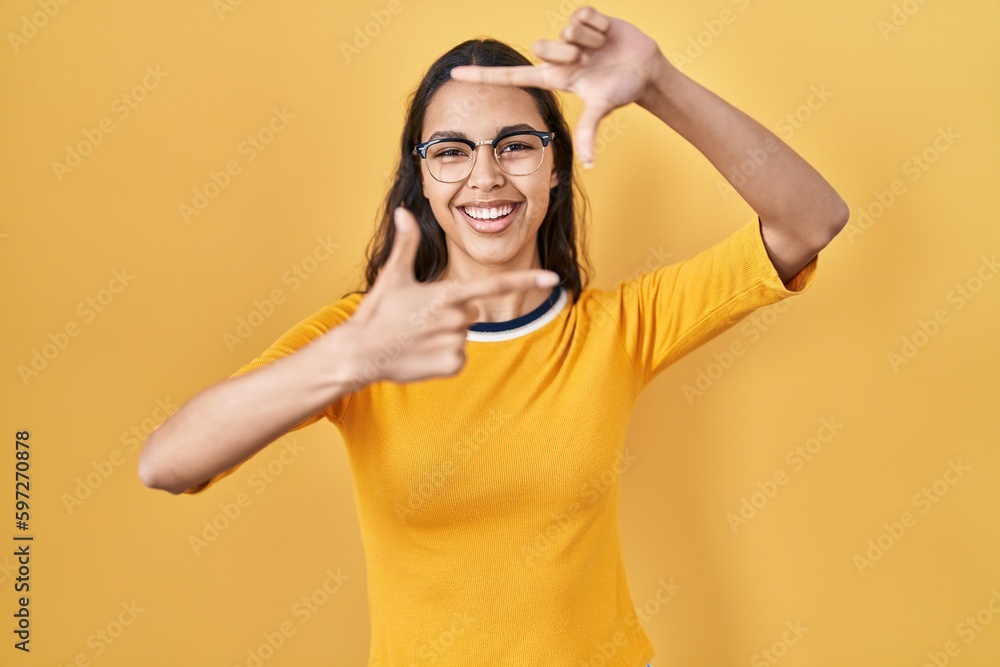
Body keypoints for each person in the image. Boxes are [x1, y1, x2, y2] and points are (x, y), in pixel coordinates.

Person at [138, 6, 847, 665]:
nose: (486, 178)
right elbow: (169, 463)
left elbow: (810, 220)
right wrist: (352, 357)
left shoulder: (618, 328)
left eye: (515, 146)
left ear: (556, 169)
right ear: (421, 174)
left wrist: (659, 84)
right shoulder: (362, 337)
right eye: (451, 151)